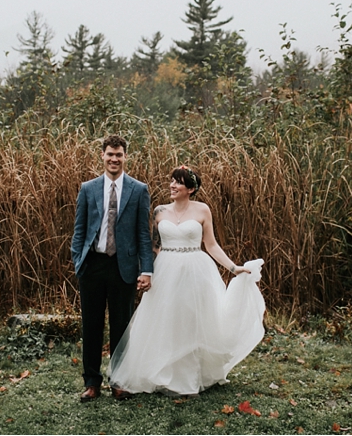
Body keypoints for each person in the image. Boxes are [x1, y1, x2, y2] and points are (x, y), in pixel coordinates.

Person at [108, 165, 265, 397]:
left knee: (190, 320)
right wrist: (155, 267)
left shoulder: (203, 210)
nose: (172, 185)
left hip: (195, 270)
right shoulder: (160, 211)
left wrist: (233, 268)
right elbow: (153, 244)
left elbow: (211, 245)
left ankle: (188, 377)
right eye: (171, 181)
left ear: (190, 189)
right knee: (164, 319)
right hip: (166, 270)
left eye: (178, 182)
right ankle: (159, 372)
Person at [70, 135, 154, 402]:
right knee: (91, 325)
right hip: (93, 265)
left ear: (125, 157)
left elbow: (144, 233)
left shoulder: (139, 189)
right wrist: (78, 261)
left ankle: (119, 381)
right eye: (110, 154)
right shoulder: (88, 188)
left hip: (124, 266)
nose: (114, 159)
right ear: (103, 156)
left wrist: (146, 269)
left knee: (121, 326)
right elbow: (79, 230)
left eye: (119, 155)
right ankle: (92, 382)